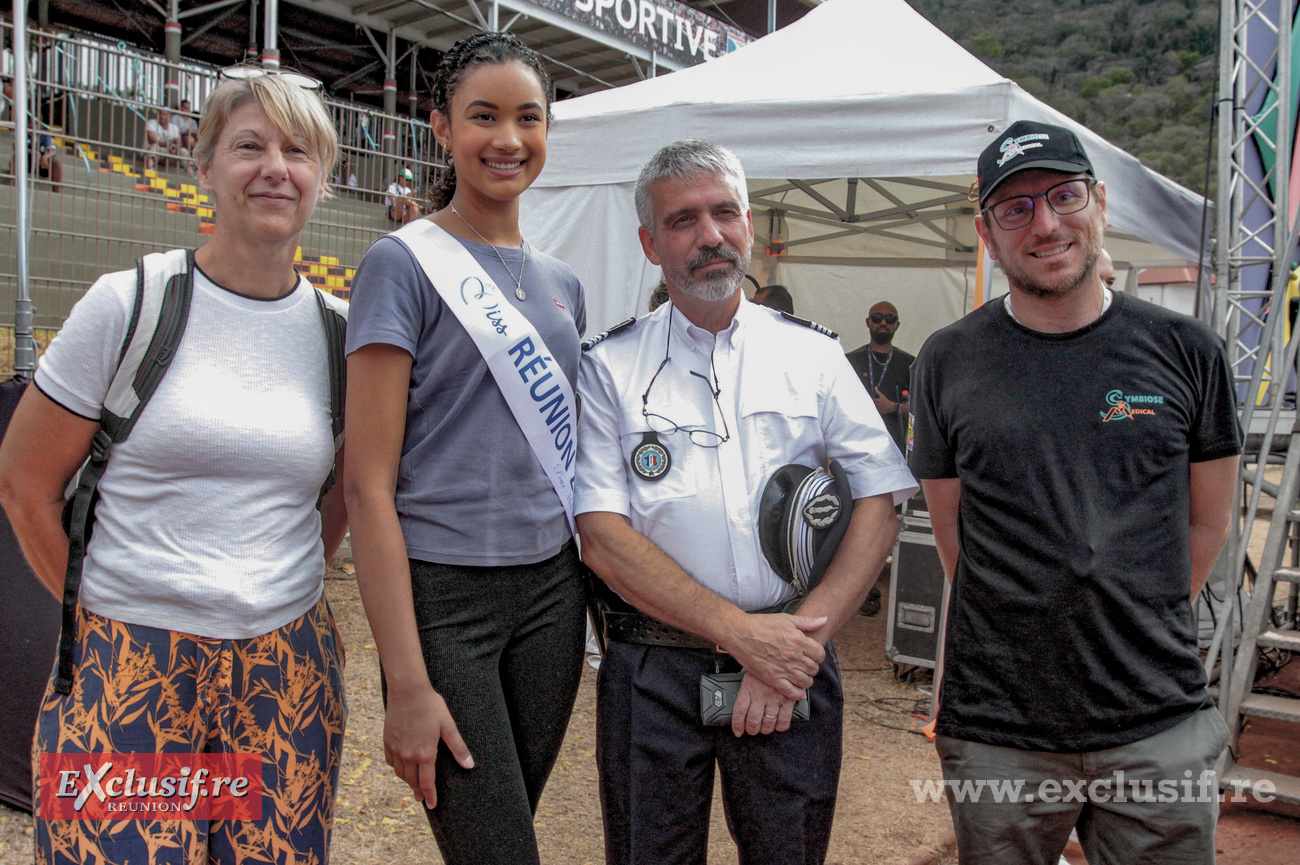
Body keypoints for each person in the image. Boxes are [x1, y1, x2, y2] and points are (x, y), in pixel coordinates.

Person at [0, 68, 349, 863]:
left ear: (321, 179)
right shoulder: (130, 302)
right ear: (204, 167)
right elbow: (24, 485)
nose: (274, 168)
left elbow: (339, 501)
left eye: (298, 150)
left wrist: (273, 586)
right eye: (249, 146)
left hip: (283, 674)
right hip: (131, 669)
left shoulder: (341, 333)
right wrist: (104, 612)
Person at [907, 120, 1241, 865]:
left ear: (1100, 203)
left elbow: (1210, 521)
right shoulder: (948, 359)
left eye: (1064, 195)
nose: (1046, 222)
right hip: (1000, 726)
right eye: (1016, 208)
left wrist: (1134, 619)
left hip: (1155, 718)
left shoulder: (1186, 350)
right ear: (987, 234)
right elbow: (955, 537)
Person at [575, 139, 917, 865]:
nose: (709, 235)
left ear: (749, 225)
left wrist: (795, 641)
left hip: (790, 659)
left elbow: (882, 497)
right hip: (654, 669)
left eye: (725, 212)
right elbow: (601, 536)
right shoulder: (608, 366)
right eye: (683, 220)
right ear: (649, 243)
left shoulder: (813, 356)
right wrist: (739, 632)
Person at [343, 33, 587, 865]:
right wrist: (405, 681)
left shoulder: (565, 283)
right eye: (483, 116)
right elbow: (367, 486)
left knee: (504, 834)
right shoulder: (399, 265)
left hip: (554, 596)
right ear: (442, 128)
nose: (507, 139)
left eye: (528, 118)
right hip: (446, 602)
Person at [845, 301, 913, 453]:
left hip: (896, 449)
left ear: (897, 325)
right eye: (877, 318)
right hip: (855, 446)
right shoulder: (849, 361)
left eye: (890, 319)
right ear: (868, 322)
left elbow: (920, 412)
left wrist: (893, 407)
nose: (883, 322)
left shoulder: (910, 364)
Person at [143, 108, 194, 176]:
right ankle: (150, 170)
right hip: (152, 154)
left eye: (164, 114)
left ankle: (191, 176)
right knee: (155, 146)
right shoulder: (152, 122)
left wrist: (174, 147)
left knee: (183, 150)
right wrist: (167, 145)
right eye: (160, 113)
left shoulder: (174, 127)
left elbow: (180, 144)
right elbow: (151, 140)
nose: (161, 116)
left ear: (169, 116)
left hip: (167, 157)